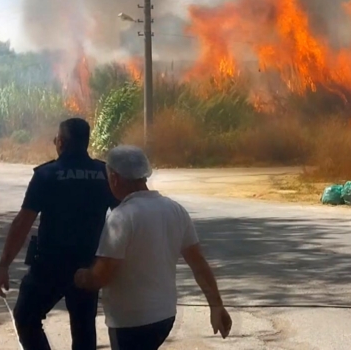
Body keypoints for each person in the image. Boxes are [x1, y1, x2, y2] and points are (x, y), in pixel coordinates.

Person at [73, 145, 232, 350]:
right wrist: (216, 305)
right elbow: (198, 264)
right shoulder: (175, 210)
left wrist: (81, 276)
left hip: (130, 321)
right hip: (164, 317)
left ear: (114, 177)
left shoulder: (121, 217)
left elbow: (102, 276)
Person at [0, 118, 120, 350]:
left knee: (26, 318)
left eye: (56, 139)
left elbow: (23, 222)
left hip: (49, 265)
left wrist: (4, 265)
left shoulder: (47, 174)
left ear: (61, 142)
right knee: (83, 328)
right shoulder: (104, 174)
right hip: (88, 265)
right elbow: (125, 217)